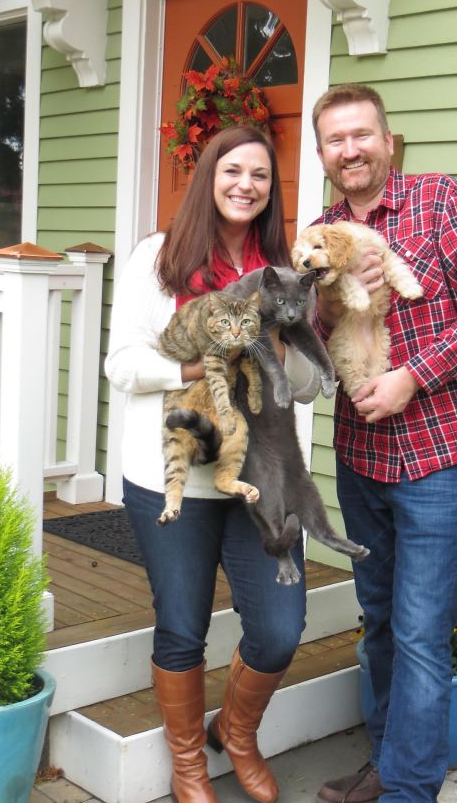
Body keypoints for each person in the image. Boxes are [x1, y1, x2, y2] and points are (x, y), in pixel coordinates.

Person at [310, 84, 457, 803]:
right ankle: (387, 766)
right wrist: (324, 302)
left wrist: (413, 377)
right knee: (376, 624)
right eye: (335, 140)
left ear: (387, 139)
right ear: (321, 154)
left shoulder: (440, 202)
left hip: (440, 456)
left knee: (418, 634)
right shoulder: (318, 233)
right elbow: (307, 345)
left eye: (361, 134)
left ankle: (408, 791)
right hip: (359, 459)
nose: (350, 150)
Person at [105, 125, 322, 803]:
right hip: (175, 474)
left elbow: (315, 383)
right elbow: (122, 364)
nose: (245, 185)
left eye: (259, 175)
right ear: (209, 176)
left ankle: (236, 731)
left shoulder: (284, 267)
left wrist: (282, 348)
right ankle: (188, 763)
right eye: (233, 170)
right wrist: (204, 361)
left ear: (270, 189)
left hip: (262, 480)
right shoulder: (158, 258)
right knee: (181, 626)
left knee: (280, 628)